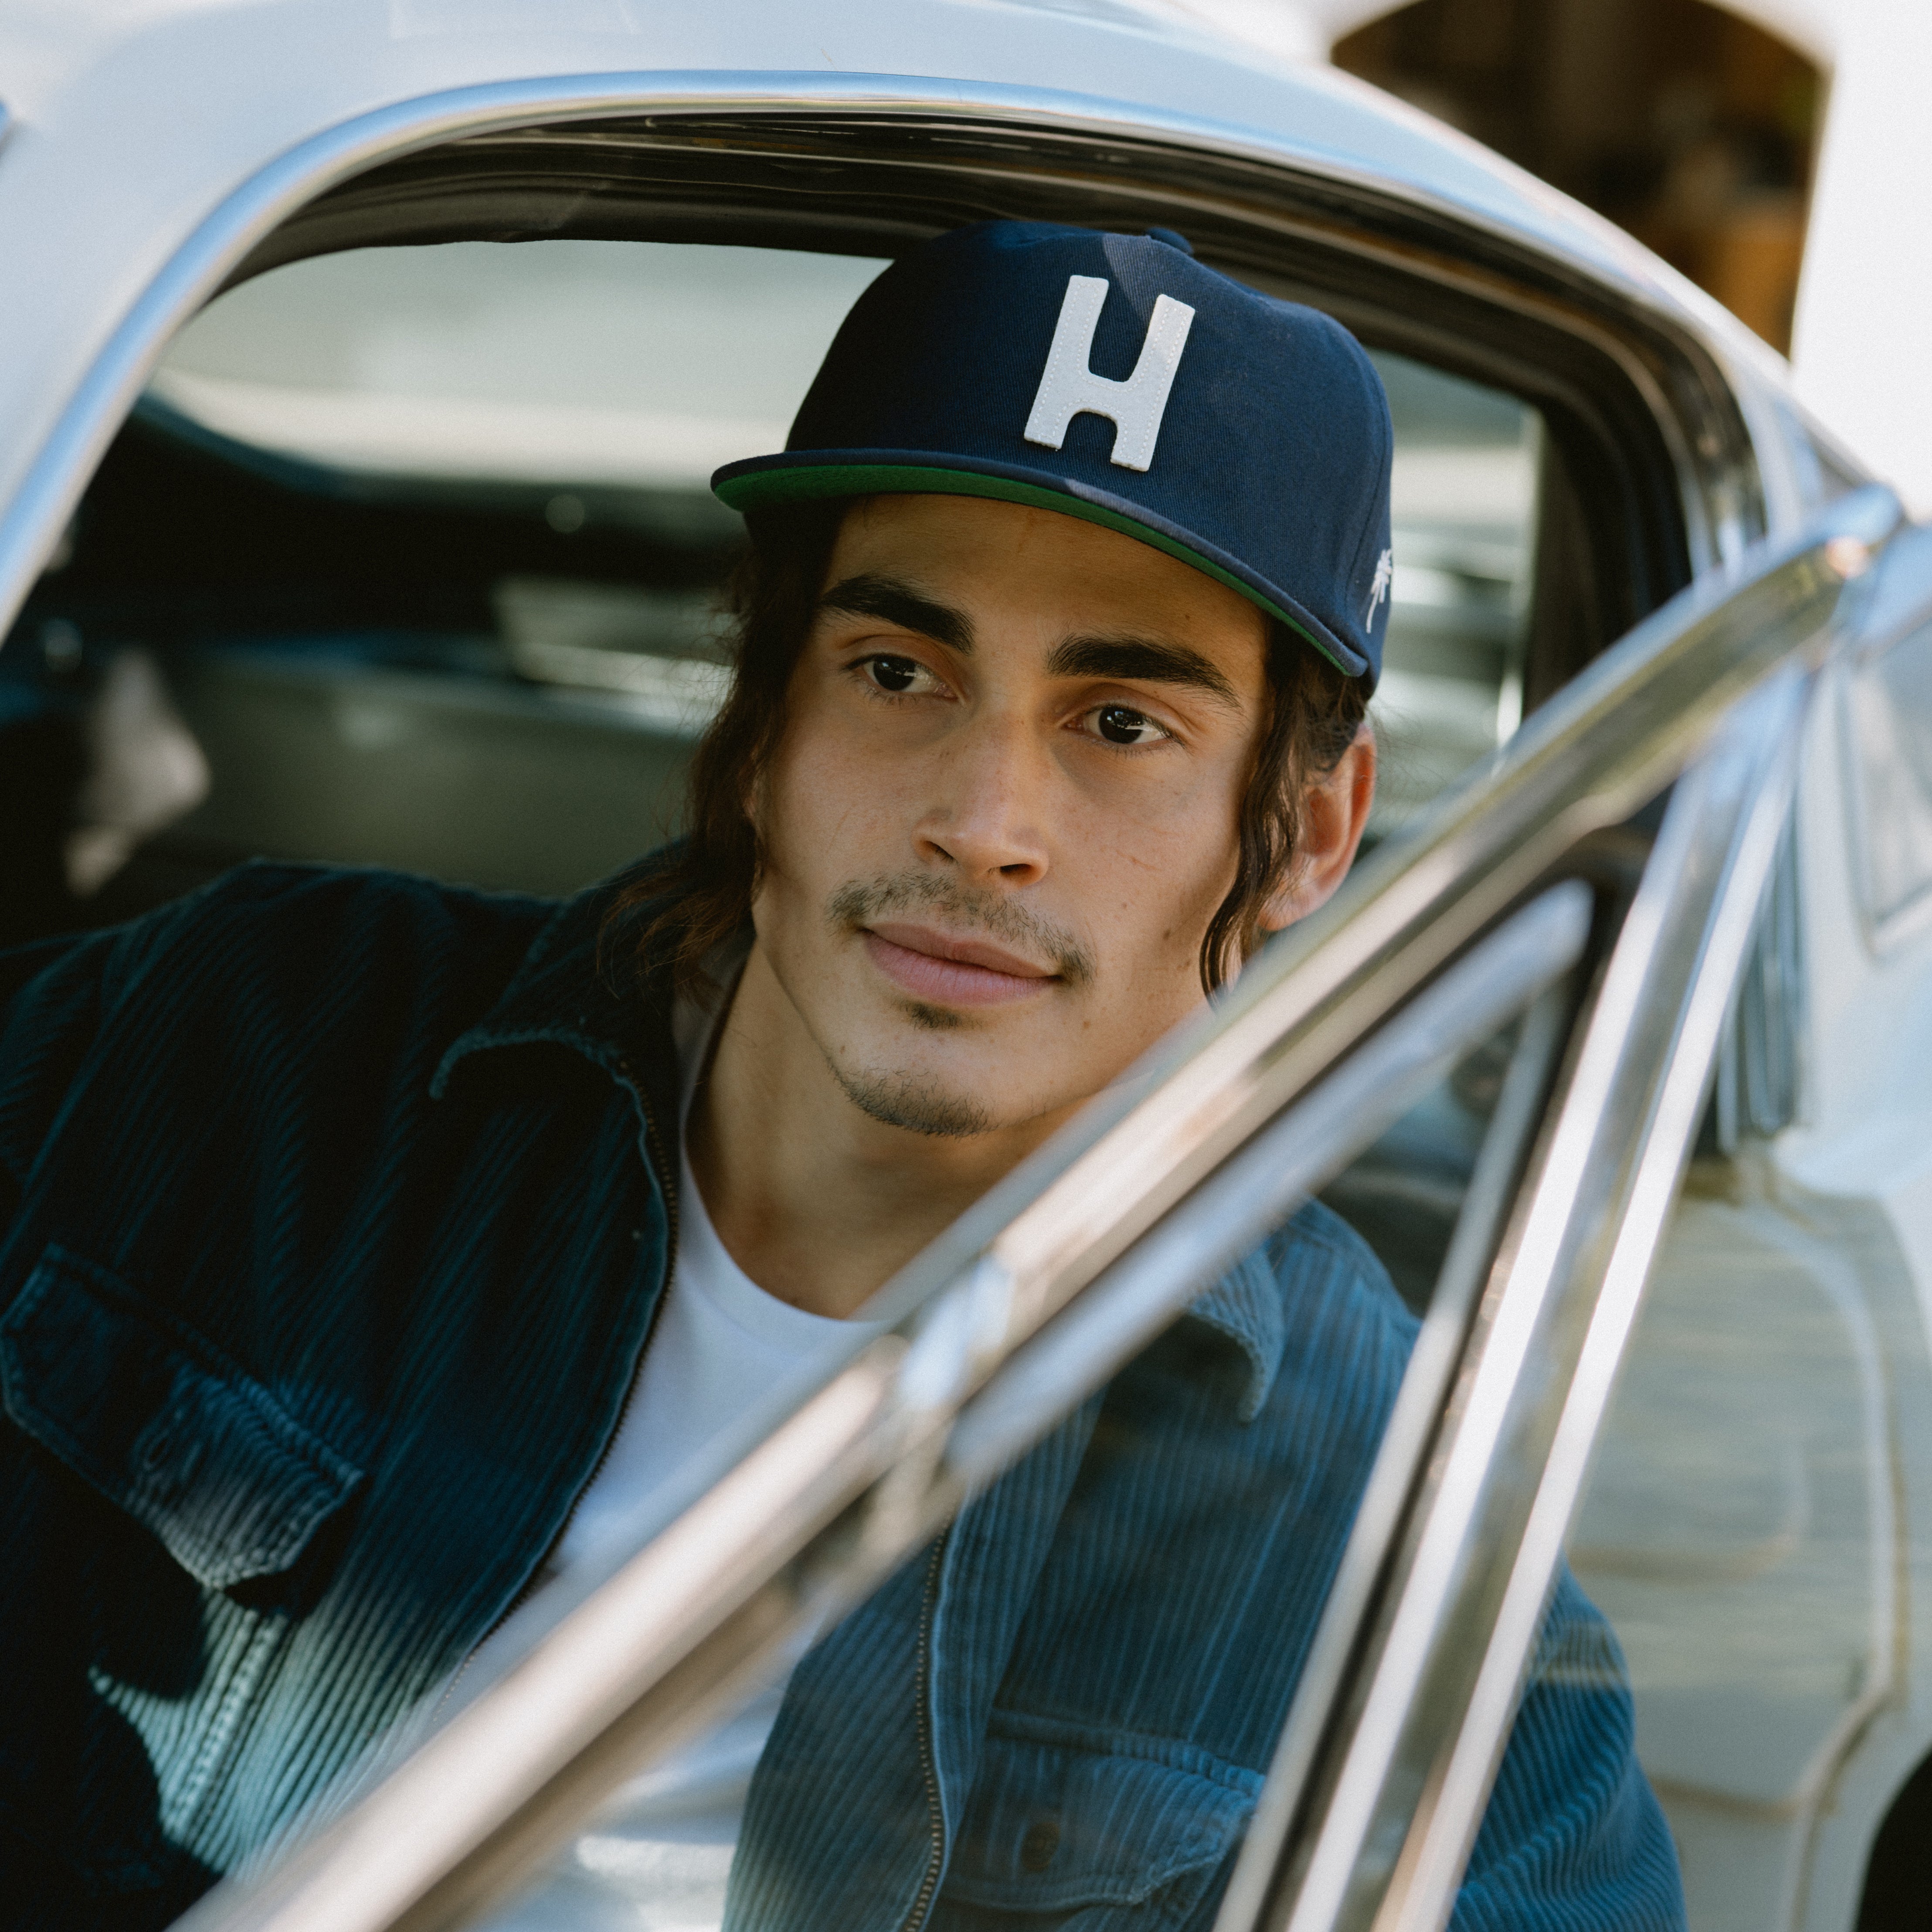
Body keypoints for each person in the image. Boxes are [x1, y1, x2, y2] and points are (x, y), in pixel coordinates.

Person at [0, 221, 1684, 1932]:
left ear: (1309, 829)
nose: (981, 820)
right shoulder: (237, 1039)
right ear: (763, 716)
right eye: (896, 672)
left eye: (1120, 722)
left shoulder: (1379, 1519)